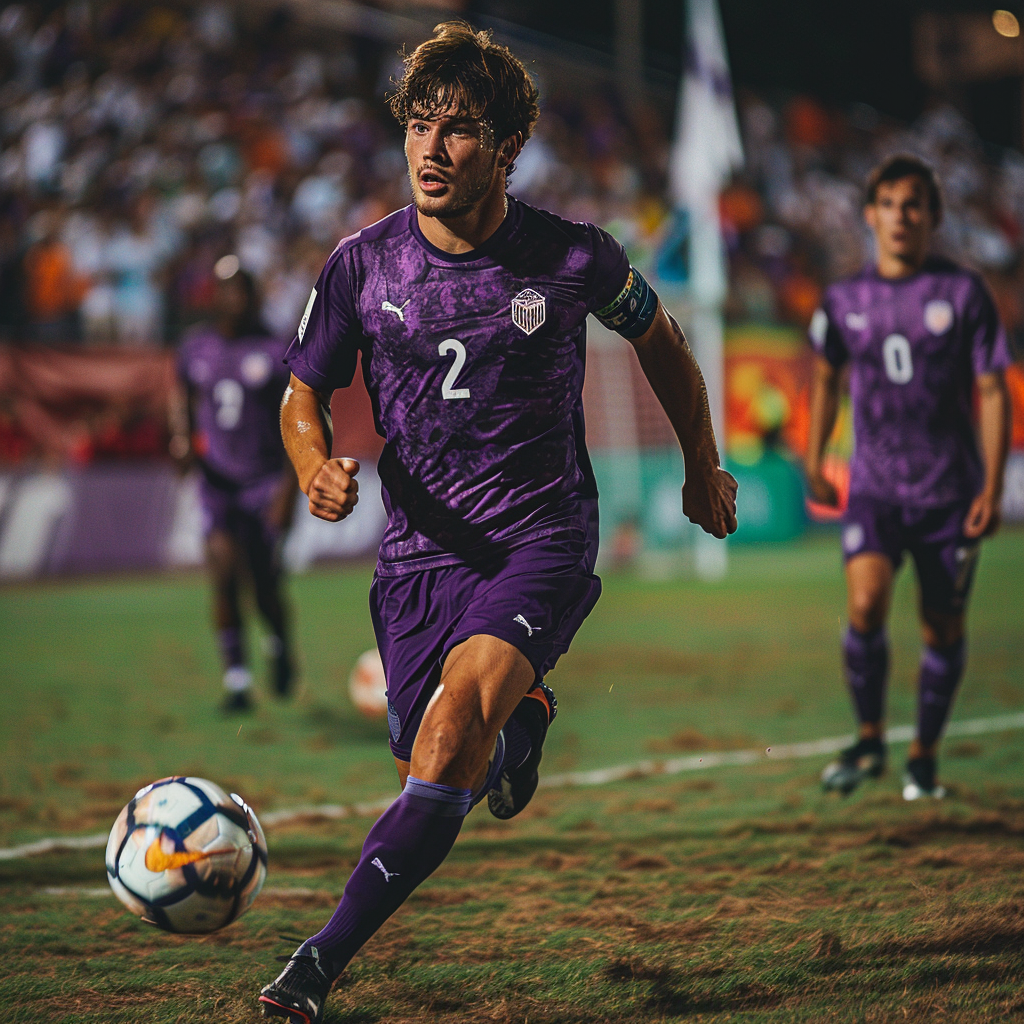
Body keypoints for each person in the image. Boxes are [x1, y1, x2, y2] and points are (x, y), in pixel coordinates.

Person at [259, 22, 737, 1023]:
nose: (432, 150)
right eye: (419, 127)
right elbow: (302, 391)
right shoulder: (361, 267)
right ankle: (524, 732)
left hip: (540, 537)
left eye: (461, 130)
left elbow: (661, 335)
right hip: (417, 562)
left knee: (444, 746)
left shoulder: (569, 258)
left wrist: (700, 460)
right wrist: (312, 465)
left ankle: (313, 964)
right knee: (442, 771)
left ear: (508, 146)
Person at [805, 155, 1012, 802]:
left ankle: (922, 757)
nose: (901, 215)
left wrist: (991, 485)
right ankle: (870, 738)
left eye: (914, 204)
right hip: (876, 486)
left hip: (950, 492)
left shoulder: (964, 294)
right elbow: (827, 379)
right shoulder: (843, 300)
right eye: (889, 204)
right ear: (870, 216)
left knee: (941, 628)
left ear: (933, 216)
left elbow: (993, 390)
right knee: (865, 605)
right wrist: (814, 459)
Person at [172, 255, 298, 712]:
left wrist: (289, 487)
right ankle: (237, 678)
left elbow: (297, 417)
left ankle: (281, 645)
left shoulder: (272, 349)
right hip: (217, 483)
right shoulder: (195, 348)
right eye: (227, 289)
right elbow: (182, 397)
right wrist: (182, 438)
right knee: (224, 571)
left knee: (264, 583)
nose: (235, 299)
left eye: (243, 289)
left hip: (265, 482)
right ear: (215, 296)